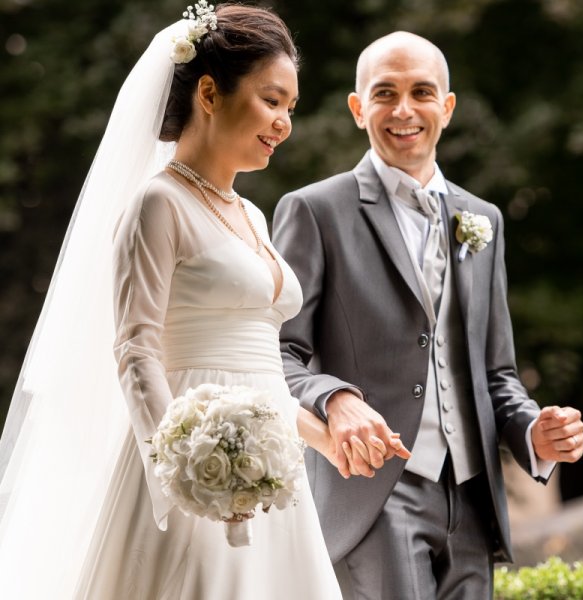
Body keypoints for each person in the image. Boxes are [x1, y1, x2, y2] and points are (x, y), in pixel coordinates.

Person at [0, 3, 401, 598]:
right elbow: (135, 351)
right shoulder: (156, 204)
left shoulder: (254, 216)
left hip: (268, 480)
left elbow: (259, 371)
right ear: (209, 94)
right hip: (193, 473)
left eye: (289, 107)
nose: (284, 122)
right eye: (271, 100)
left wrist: (325, 439)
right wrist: (185, 476)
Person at [272, 30, 583, 599]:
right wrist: (334, 398)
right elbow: (274, 352)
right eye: (384, 93)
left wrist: (534, 433)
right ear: (357, 107)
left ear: (446, 106)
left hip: (472, 498)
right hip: (371, 494)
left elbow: (496, 374)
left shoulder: (482, 219)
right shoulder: (314, 210)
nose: (403, 110)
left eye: (421, 92)